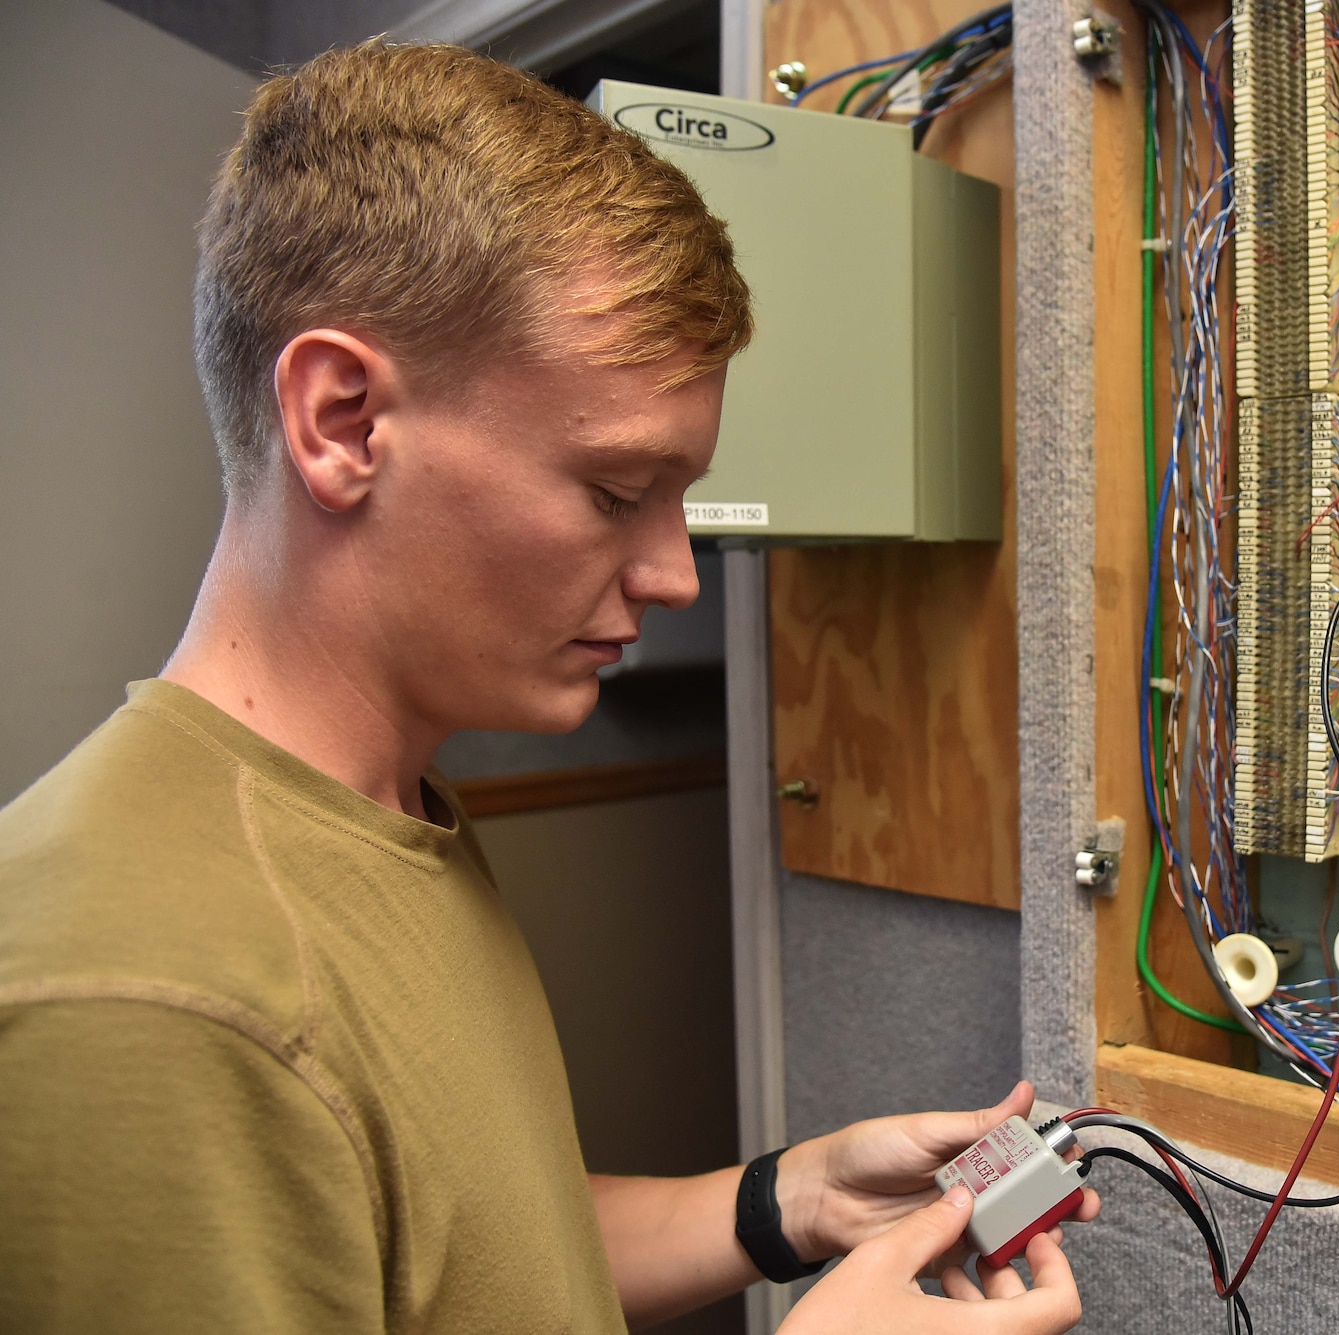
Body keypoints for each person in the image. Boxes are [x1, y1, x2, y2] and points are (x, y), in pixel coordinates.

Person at [0, 40, 1093, 1333]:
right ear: (343, 420)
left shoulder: (382, 823)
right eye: (617, 493)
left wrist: (786, 1203)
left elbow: (461, 1260)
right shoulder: (148, 997)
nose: (678, 573)